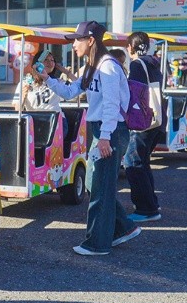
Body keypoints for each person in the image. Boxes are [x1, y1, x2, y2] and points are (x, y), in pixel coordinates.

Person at [43, 20, 138, 255]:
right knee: (94, 184)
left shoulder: (107, 67)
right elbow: (69, 92)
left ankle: (97, 243)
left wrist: (105, 137)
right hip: (104, 130)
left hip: (111, 130)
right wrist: (46, 78)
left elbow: (112, 104)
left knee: (100, 187)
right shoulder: (92, 67)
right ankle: (123, 228)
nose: (74, 44)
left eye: (77, 40)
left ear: (91, 40)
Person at [124, 32, 164, 223]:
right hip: (157, 119)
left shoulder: (137, 64)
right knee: (143, 161)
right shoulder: (154, 62)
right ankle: (151, 204)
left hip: (143, 120)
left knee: (133, 162)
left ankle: (145, 209)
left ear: (130, 47)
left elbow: (134, 92)